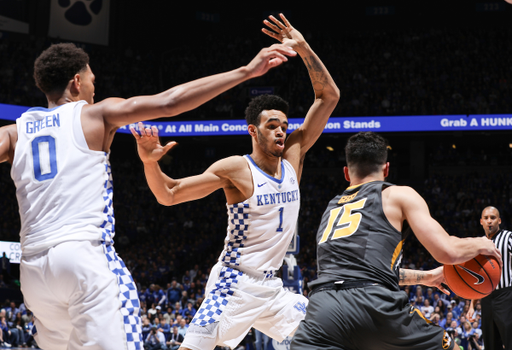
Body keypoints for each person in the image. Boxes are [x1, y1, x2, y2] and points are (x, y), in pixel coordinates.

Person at [0, 38, 296, 350]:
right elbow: (170, 102)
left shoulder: (15, 132)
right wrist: (246, 71)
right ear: (76, 82)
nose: (93, 88)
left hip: (33, 273)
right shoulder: (93, 115)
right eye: (91, 80)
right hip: (82, 258)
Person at [131, 13, 339, 350]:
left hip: (272, 287)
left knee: (327, 334)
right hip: (233, 282)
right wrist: (149, 163)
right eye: (273, 125)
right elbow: (169, 194)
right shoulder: (236, 169)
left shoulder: (293, 157)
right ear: (253, 131)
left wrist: (302, 47)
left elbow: (328, 97)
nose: (282, 131)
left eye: (285, 125)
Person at [291, 131, 502, 350]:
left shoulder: (331, 207)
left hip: (322, 309)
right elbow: (447, 251)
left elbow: (358, 274)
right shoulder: (398, 194)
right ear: (387, 169)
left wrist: (426, 277)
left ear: (346, 173)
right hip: (374, 305)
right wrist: (481, 243)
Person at [467, 206, 512, 350]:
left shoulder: (508, 237)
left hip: (506, 296)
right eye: (486, 218)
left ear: (499, 220)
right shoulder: (477, 243)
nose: (489, 221)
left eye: (493, 218)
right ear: (481, 221)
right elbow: (476, 277)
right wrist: (472, 305)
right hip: (485, 297)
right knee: (491, 344)